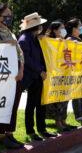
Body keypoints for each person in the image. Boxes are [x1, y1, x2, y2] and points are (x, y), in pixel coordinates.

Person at [0, 3, 25, 149]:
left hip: (15, 76)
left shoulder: (10, 31)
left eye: (10, 16)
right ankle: (1, 135)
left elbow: (19, 53)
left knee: (13, 105)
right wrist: (6, 44)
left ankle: (9, 133)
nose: (8, 18)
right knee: (2, 105)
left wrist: (21, 69)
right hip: (1, 77)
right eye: (5, 15)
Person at [18, 13, 56, 141]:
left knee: (41, 104)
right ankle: (31, 131)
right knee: (31, 104)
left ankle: (42, 129)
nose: (42, 28)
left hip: (39, 76)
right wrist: (40, 70)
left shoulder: (35, 38)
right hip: (31, 77)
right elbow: (26, 59)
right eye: (40, 25)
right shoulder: (24, 39)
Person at [43, 21, 77, 132]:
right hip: (55, 75)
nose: (63, 30)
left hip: (65, 74)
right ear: (54, 30)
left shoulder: (65, 41)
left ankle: (64, 121)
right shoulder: (48, 40)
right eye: (61, 28)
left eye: (63, 27)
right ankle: (58, 122)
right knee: (56, 100)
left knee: (65, 98)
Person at [65, 18, 82, 125]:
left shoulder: (79, 39)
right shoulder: (70, 39)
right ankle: (79, 116)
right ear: (74, 28)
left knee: (81, 94)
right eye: (79, 26)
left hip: (81, 71)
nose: (81, 27)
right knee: (76, 94)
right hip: (74, 71)